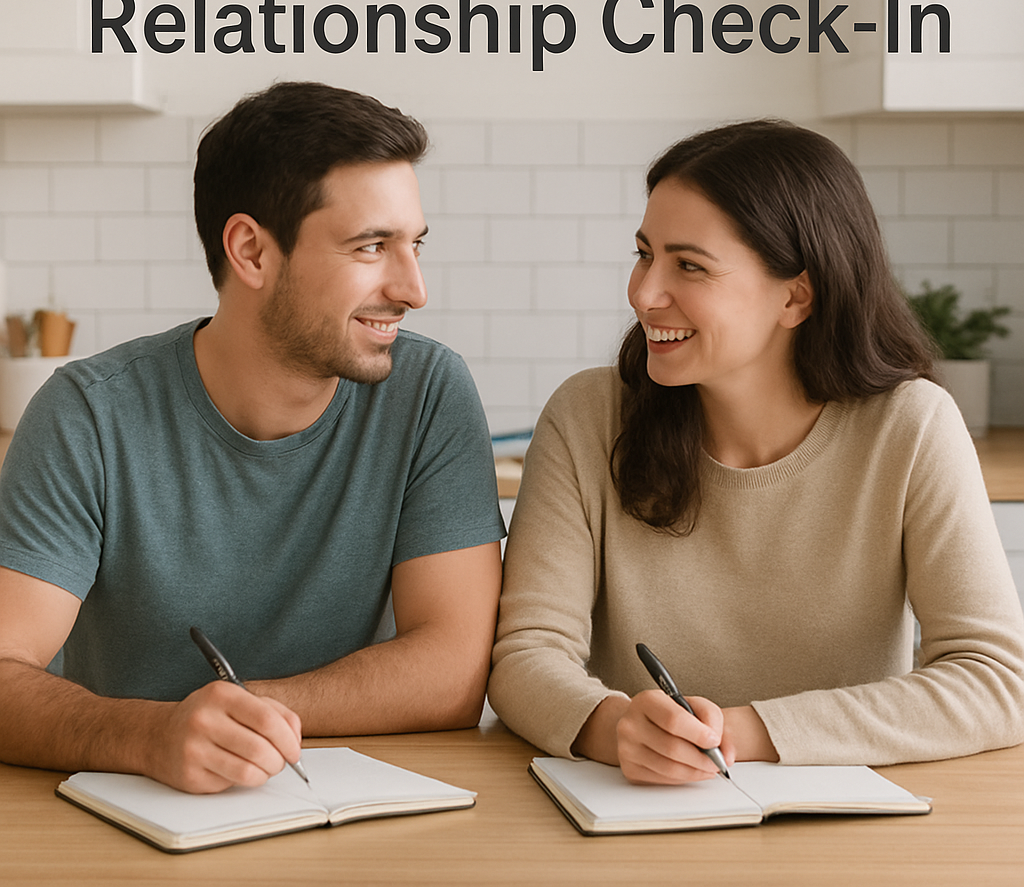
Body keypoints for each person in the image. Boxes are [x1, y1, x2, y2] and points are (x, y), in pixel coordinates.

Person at [0, 82, 506, 794]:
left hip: (354, 811)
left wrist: (237, 717)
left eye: (414, 244)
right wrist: (150, 737)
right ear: (251, 251)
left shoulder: (428, 393)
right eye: (372, 246)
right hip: (135, 813)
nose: (414, 288)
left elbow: (454, 674)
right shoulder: (88, 415)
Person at [488, 119, 1024, 784]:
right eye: (643, 253)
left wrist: (743, 732)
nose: (643, 293)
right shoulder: (588, 417)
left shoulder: (910, 427)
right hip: (636, 814)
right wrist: (613, 726)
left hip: (846, 832)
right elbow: (526, 654)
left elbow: (996, 680)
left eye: (688, 265)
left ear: (796, 295)